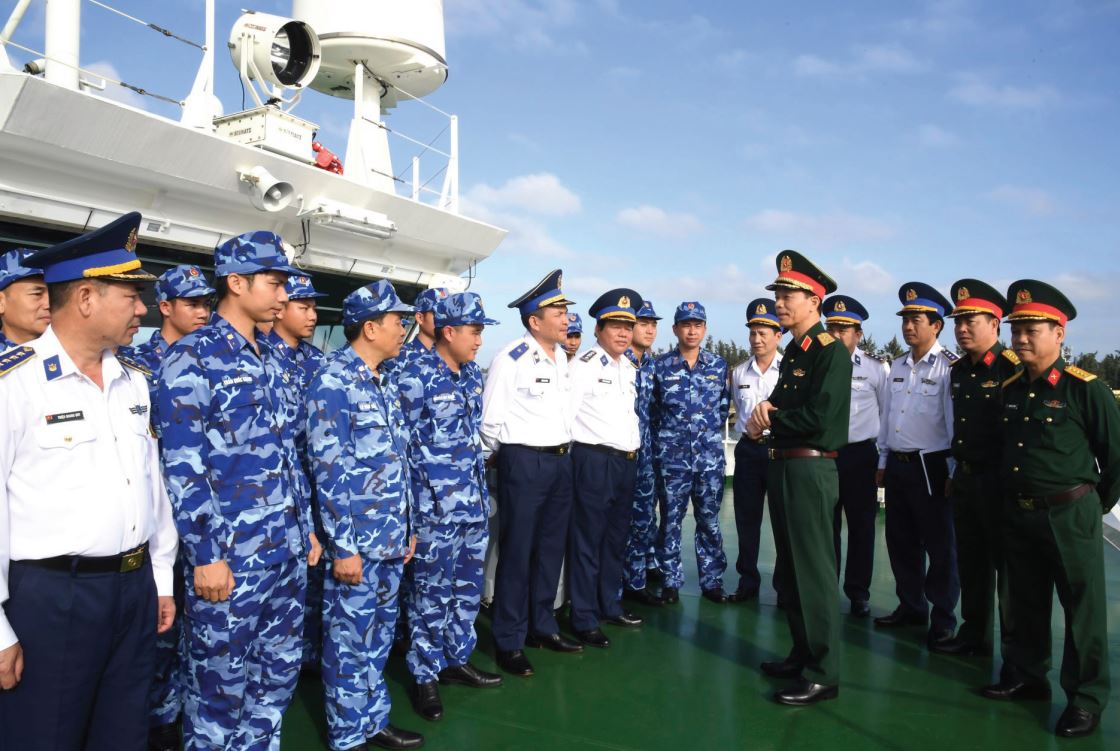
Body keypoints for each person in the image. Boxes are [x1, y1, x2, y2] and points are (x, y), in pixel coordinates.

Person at [0, 212, 178, 750]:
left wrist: (160, 577)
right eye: (131, 296)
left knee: (122, 734)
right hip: (52, 597)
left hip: (133, 590)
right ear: (84, 298)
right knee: (43, 736)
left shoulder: (134, 381)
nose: (143, 309)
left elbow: (151, 486)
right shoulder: (15, 383)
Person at [158, 231, 322, 750]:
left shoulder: (271, 357)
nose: (284, 295)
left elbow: (286, 451)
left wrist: (305, 528)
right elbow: (183, 468)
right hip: (231, 560)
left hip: (285, 554)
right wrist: (205, 555)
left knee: (274, 682)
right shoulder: (192, 357)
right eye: (275, 283)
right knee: (218, 692)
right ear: (236, 282)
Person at [981, 280, 1119, 739]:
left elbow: (1116, 457)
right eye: (1016, 330)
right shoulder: (1011, 388)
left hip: (1069, 513)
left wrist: (1092, 504)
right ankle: (1026, 675)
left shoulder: (1085, 389)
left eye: (1032, 330)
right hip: (1019, 513)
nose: (1021, 339)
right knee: (1022, 601)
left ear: (1059, 334)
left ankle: (1086, 698)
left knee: (1082, 609)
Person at [306, 280, 423, 751]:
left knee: (376, 638)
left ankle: (373, 720)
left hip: (389, 538)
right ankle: (348, 732)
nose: (403, 330)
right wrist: (344, 547)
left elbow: (395, 461)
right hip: (357, 543)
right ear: (370, 328)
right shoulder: (333, 382)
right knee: (349, 640)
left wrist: (408, 529)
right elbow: (328, 471)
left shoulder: (382, 380)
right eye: (397, 322)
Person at [749, 250, 850, 706]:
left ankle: (824, 672)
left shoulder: (830, 352)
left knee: (813, 571)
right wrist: (767, 416)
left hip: (810, 467)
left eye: (788, 295)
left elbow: (821, 418)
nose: (780, 302)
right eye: (778, 294)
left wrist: (772, 417)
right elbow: (783, 406)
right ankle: (802, 653)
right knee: (790, 570)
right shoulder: (795, 351)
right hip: (785, 464)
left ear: (814, 300)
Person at [120, 263, 214, 751]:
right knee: (158, 627)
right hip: (155, 519)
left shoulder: (213, 363)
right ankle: (157, 718)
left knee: (199, 628)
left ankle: (188, 711)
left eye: (206, 304)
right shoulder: (135, 365)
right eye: (192, 303)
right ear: (166, 307)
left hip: (200, 520)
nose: (202, 312)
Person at [397, 292, 503, 723]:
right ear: (448, 332)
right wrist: (410, 515)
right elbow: (401, 448)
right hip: (434, 509)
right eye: (474, 332)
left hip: (472, 505)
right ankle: (424, 674)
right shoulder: (414, 375)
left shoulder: (471, 374)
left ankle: (456, 659)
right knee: (430, 594)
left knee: (466, 589)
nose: (479, 340)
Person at [480, 269, 582, 677]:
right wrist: (497, 458)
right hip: (524, 462)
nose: (565, 319)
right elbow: (491, 420)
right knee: (518, 552)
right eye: (557, 312)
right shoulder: (512, 358)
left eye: (565, 311)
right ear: (534, 321)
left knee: (550, 550)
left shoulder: (562, 359)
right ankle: (509, 639)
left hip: (561, 461)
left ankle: (543, 625)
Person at [936, 280, 1020, 660]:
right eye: (958, 322)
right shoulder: (958, 371)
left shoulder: (1012, 368)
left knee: (1009, 574)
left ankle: (1016, 657)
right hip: (967, 479)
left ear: (995, 324)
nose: (962, 328)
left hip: (1000, 482)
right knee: (971, 562)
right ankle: (974, 636)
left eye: (971, 321)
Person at [874, 283, 960, 651]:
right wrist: (882, 461)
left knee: (940, 547)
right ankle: (911, 606)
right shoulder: (895, 366)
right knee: (901, 541)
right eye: (905, 320)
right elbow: (887, 418)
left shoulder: (948, 368)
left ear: (936, 325)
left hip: (931, 465)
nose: (908, 327)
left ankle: (943, 619)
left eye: (916, 320)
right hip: (898, 463)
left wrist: (953, 472)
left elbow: (953, 424)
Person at [568, 289, 645, 648]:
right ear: (599, 329)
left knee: (615, 539)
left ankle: (608, 604)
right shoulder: (583, 365)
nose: (623, 333)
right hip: (593, 460)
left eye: (628, 327)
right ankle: (584, 617)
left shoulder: (628, 367)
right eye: (615, 326)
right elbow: (566, 415)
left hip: (625, 462)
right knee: (588, 540)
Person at [266, 273, 328, 673]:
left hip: (318, 487)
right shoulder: (261, 358)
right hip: (280, 493)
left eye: (314, 307)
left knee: (316, 576)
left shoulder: (319, 362)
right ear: (280, 309)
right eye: (303, 307)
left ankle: (310, 657)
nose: (313, 315)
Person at [652, 301, 730, 604]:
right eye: (686, 325)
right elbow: (654, 412)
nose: (692, 331)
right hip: (672, 460)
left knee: (709, 521)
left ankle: (712, 581)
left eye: (697, 325)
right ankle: (670, 580)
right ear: (675, 329)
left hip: (709, 460)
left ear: (705, 329)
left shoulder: (718, 365)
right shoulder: (661, 366)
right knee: (670, 520)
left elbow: (722, 409)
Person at [823, 295, 887, 619]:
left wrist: (883, 461)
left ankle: (858, 593)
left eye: (844, 329)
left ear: (858, 334)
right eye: (832, 328)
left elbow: (888, 414)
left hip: (861, 456)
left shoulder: (876, 369)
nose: (836, 335)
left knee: (862, 528)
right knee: (826, 527)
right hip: (825, 456)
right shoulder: (818, 364)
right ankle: (825, 588)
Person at [727, 298, 783, 604]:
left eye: (763, 333)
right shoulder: (739, 373)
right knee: (746, 520)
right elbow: (737, 408)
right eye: (753, 333)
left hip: (779, 452)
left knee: (782, 521)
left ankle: (784, 586)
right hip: (748, 452)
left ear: (778, 335)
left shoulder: (790, 370)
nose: (757, 339)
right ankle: (747, 581)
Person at [622, 300, 665, 606]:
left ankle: (636, 581)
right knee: (616, 521)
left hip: (645, 455)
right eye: (643, 323)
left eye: (653, 324)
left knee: (643, 519)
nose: (649, 330)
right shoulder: (616, 362)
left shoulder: (651, 365)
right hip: (618, 454)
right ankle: (613, 585)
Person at [0, 248, 50, 349]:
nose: (49, 304)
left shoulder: (73, 352)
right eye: (37, 294)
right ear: (1, 302)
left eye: (53, 294)